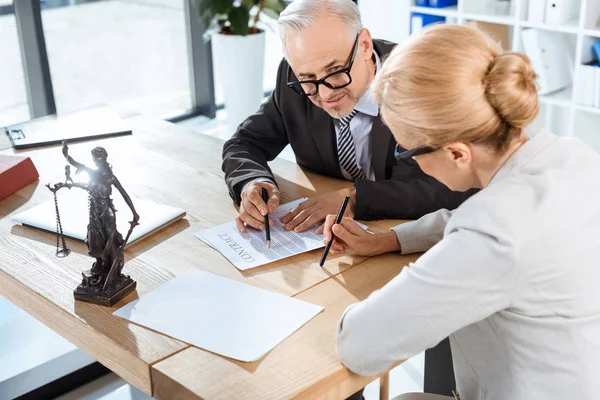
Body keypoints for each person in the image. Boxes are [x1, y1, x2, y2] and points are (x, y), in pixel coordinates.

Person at [323, 24, 600, 399]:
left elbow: (358, 346)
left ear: (457, 152)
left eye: (406, 152)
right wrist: (389, 240)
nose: (410, 164)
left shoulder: (494, 234)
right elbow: (479, 222)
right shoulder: (574, 156)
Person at [221, 0, 473, 237]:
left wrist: (356, 199)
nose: (325, 93)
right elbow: (245, 143)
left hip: (410, 235)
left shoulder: (421, 81)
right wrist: (252, 182)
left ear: (364, 44)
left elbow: (462, 183)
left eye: (336, 71)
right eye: (308, 79)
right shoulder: (293, 79)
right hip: (327, 239)